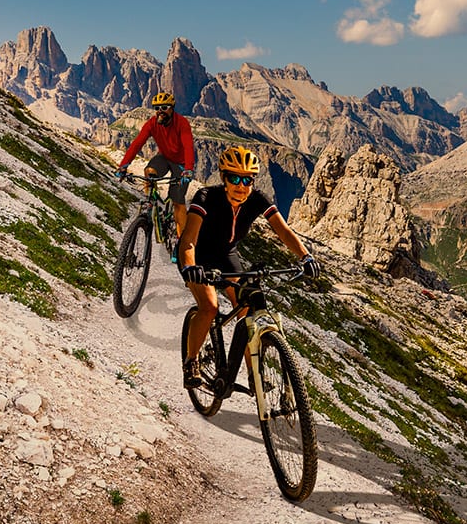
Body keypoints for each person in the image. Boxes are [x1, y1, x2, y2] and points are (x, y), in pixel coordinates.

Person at [177, 145, 321, 389]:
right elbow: (188, 240)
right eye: (234, 178)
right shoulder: (206, 197)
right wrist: (191, 266)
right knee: (210, 307)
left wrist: (306, 257)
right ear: (224, 178)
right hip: (198, 256)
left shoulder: (256, 199)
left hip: (227, 255)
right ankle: (192, 361)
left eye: (247, 180)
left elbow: (283, 230)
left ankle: (255, 375)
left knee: (246, 310)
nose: (241, 186)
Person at [116, 91, 196, 236]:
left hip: (182, 164)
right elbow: (137, 144)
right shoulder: (152, 123)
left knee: (178, 201)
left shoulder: (182, 123)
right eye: (157, 108)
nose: (160, 111)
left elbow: (188, 146)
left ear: (172, 108)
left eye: (164, 107)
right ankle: (150, 201)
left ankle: (181, 241)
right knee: (149, 171)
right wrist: (123, 165)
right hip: (164, 157)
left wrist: (188, 169)